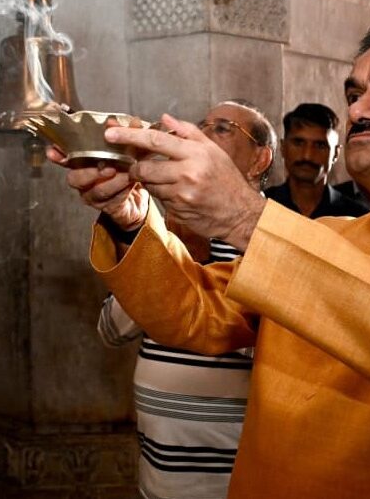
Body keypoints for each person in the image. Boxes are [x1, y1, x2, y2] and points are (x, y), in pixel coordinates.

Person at [49, 21, 370, 498]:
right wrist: (130, 217)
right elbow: (194, 313)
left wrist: (245, 218)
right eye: (355, 94)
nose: (360, 111)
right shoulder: (327, 234)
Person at [96, 99, 276, 499]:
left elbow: (279, 351)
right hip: (158, 476)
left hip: (232, 479)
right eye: (202, 125)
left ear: (259, 160)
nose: (203, 134)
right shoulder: (164, 230)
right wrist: (167, 258)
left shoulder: (275, 242)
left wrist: (195, 269)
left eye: (223, 128)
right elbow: (111, 330)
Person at [264, 103, 369, 218]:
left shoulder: (356, 218)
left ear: (336, 154)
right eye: (298, 143)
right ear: (283, 147)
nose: (307, 156)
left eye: (320, 145)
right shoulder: (261, 208)